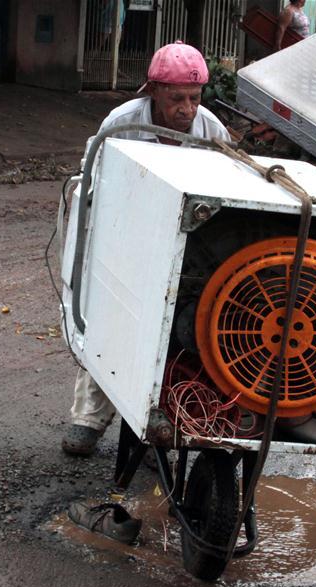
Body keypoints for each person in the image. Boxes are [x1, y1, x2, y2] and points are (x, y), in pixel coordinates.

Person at [61, 41, 231, 456]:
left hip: (184, 251)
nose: (187, 109)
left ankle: (165, 427)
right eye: (177, 99)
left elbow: (229, 190)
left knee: (179, 336)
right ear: (153, 90)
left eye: (194, 98)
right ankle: (89, 419)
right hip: (123, 241)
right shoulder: (121, 126)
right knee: (109, 327)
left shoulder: (212, 132)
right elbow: (93, 188)